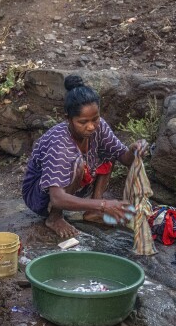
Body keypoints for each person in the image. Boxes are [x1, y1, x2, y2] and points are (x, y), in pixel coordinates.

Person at [22, 75, 148, 238]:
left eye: (95, 119)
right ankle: (54, 218)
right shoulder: (59, 145)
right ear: (68, 118)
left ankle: (91, 212)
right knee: (77, 164)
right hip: (40, 196)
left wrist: (133, 150)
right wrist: (104, 205)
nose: (91, 127)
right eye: (83, 122)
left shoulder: (99, 127)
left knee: (108, 152)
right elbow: (57, 197)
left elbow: (123, 158)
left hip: (72, 187)